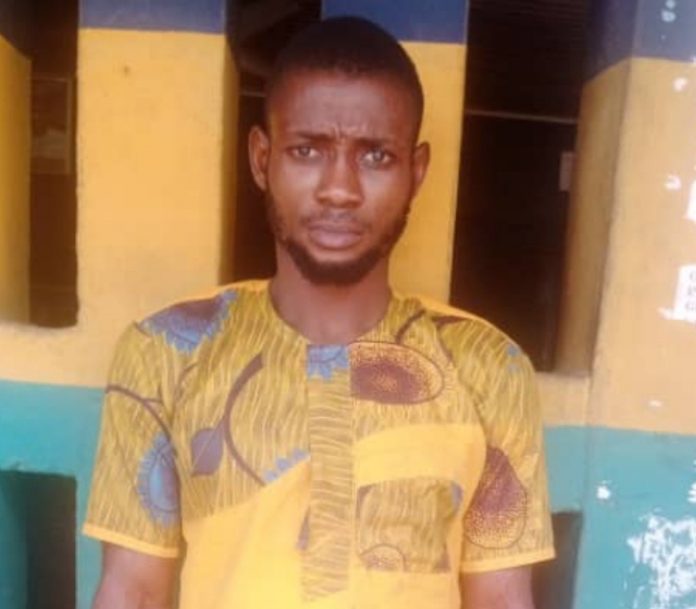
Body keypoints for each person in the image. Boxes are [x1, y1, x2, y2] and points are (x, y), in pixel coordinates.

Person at [83, 16, 554, 609]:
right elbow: (133, 591)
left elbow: (502, 600)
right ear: (262, 159)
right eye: (307, 151)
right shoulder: (165, 350)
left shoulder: (489, 366)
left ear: (416, 172)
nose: (339, 189)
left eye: (375, 156)